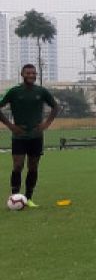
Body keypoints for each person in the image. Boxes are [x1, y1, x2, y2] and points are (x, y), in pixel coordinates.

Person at [0, 64, 60, 208]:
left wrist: (46, 124)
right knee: (18, 165)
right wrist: (11, 125)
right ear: (22, 74)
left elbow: (55, 107)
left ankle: (29, 198)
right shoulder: (14, 91)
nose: (31, 75)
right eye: (28, 73)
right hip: (19, 136)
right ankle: (15, 197)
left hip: (36, 136)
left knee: (33, 167)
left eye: (34, 73)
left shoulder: (41, 91)